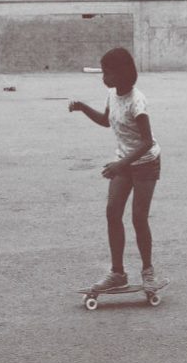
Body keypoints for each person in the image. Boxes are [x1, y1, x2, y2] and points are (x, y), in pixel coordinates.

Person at [68, 47, 162, 294]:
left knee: (138, 218)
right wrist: (83, 107)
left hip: (145, 163)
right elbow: (105, 120)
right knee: (112, 213)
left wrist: (121, 164)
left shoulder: (137, 101)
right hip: (124, 162)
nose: (104, 77)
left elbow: (147, 141)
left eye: (107, 73)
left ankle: (148, 271)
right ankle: (117, 273)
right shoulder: (112, 94)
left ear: (121, 74)